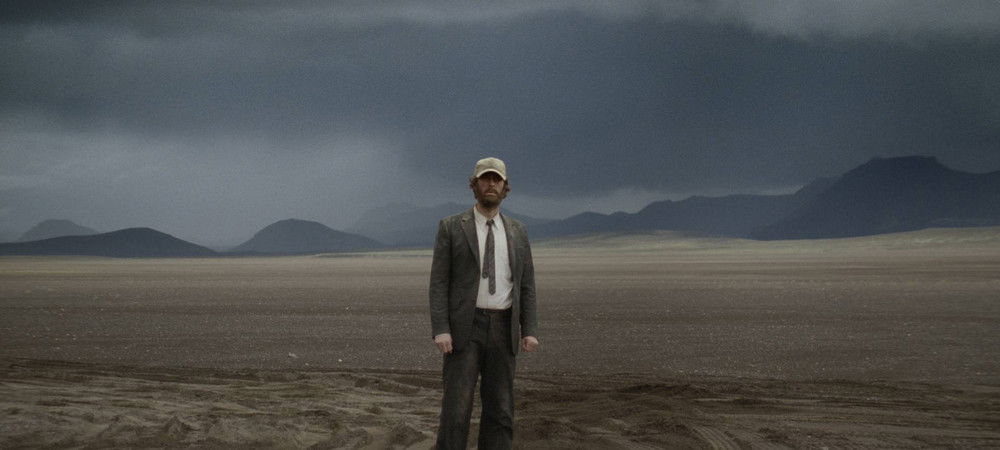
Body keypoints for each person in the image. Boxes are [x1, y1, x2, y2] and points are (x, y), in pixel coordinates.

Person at [429, 156, 539, 450]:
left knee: (501, 409)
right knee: (456, 409)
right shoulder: (452, 227)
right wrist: (441, 328)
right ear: (474, 185)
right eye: (485, 179)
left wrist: (529, 329)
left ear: (505, 187)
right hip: (464, 328)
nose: (491, 184)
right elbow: (438, 282)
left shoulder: (518, 231)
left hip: (504, 327)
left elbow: (526, 283)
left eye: (497, 179)